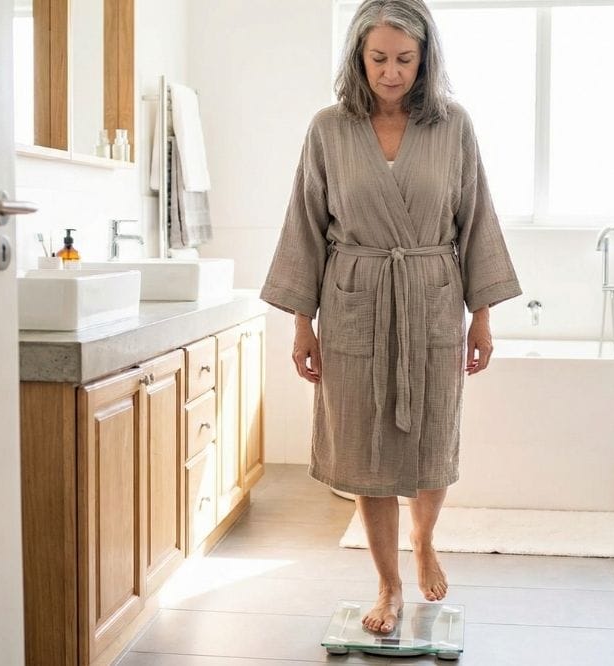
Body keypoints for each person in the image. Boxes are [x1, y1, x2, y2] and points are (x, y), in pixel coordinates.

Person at [258, 0, 521, 635]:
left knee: (431, 441)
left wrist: (480, 317)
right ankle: (387, 582)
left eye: (405, 59)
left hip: (431, 300)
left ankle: (424, 539)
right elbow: (305, 228)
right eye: (379, 58)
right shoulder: (329, 129)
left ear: (426, 59)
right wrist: (302, 324)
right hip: (354, 305)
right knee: (365, 451)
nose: (392, 72)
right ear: (358, 56)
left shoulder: (453, 126)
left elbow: (476, 220)